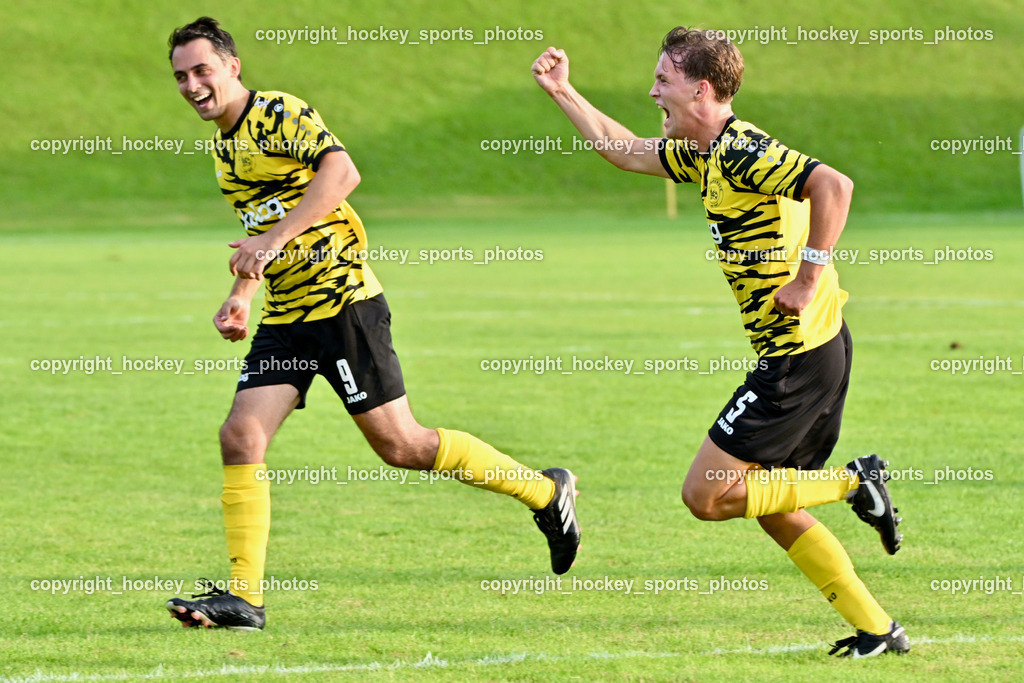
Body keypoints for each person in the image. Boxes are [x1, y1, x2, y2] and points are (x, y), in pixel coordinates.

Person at [163, 16, 580, 631]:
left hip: (345, 306)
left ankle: (546, 492)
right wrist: (242, 294)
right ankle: (244, 599)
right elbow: (262, 230)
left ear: (231, 66)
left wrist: (274, 240)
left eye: (202, 69)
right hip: (288, 317)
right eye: (180, 77)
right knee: (240, 436)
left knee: (402, 446)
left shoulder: (277, 112)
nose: (193, 84)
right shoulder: (226, 151)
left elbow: (342, 173)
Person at [532, 27, 908, 658]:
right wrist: (562, 90)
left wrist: (808, 275)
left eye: (663, 80)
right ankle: (878, 628)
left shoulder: (742, 150)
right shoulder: (701, 151)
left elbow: (833, 187)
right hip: (809, 352)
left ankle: (855, 483)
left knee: (705, 496)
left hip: (798, 356)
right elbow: (625, 151)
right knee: (770, 501)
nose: (651, 90)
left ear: (700, 89)